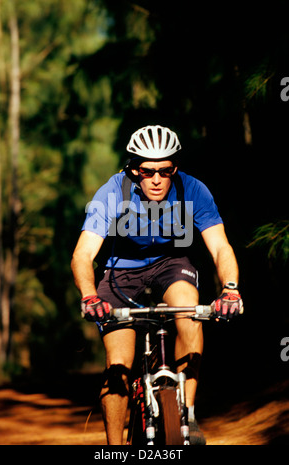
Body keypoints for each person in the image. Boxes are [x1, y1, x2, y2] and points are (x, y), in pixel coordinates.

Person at [71, 125, 243, 445]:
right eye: (147, 171)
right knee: (119, 362)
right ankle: (114, 447)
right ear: (133, 169)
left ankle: (187, 416)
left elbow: (220, 246)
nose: (156, 179)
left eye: (165, 171)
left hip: (170, 265)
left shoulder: (192, 189)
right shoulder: (113, 191)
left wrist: (230, 288)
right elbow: (82, 254)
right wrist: (90, 295)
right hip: (118, 273)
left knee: (189, 310)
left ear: (174, 168)